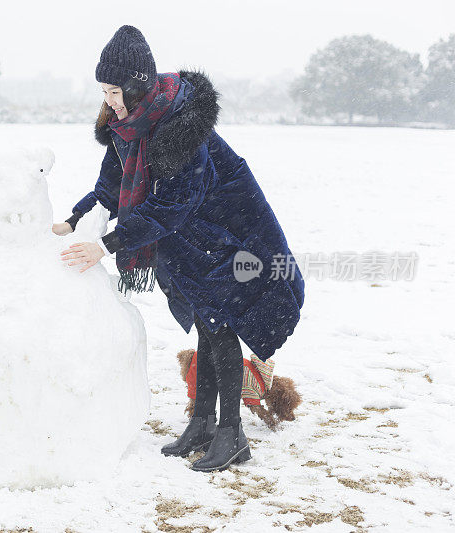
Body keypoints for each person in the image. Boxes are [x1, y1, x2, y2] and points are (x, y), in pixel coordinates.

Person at [53, 25, 305, 472]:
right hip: (190, 237)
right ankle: (204, 423)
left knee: (220, 326)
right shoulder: (127, 125)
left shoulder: (180, 128)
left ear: (137, 86)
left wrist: (106, 246)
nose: (108, 100)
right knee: (206, 327)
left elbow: (171, 205)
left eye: (114, 91)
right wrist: (74, 219)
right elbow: (111, 188)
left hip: (230, 237)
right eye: (105, 91)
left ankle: (233, 435)